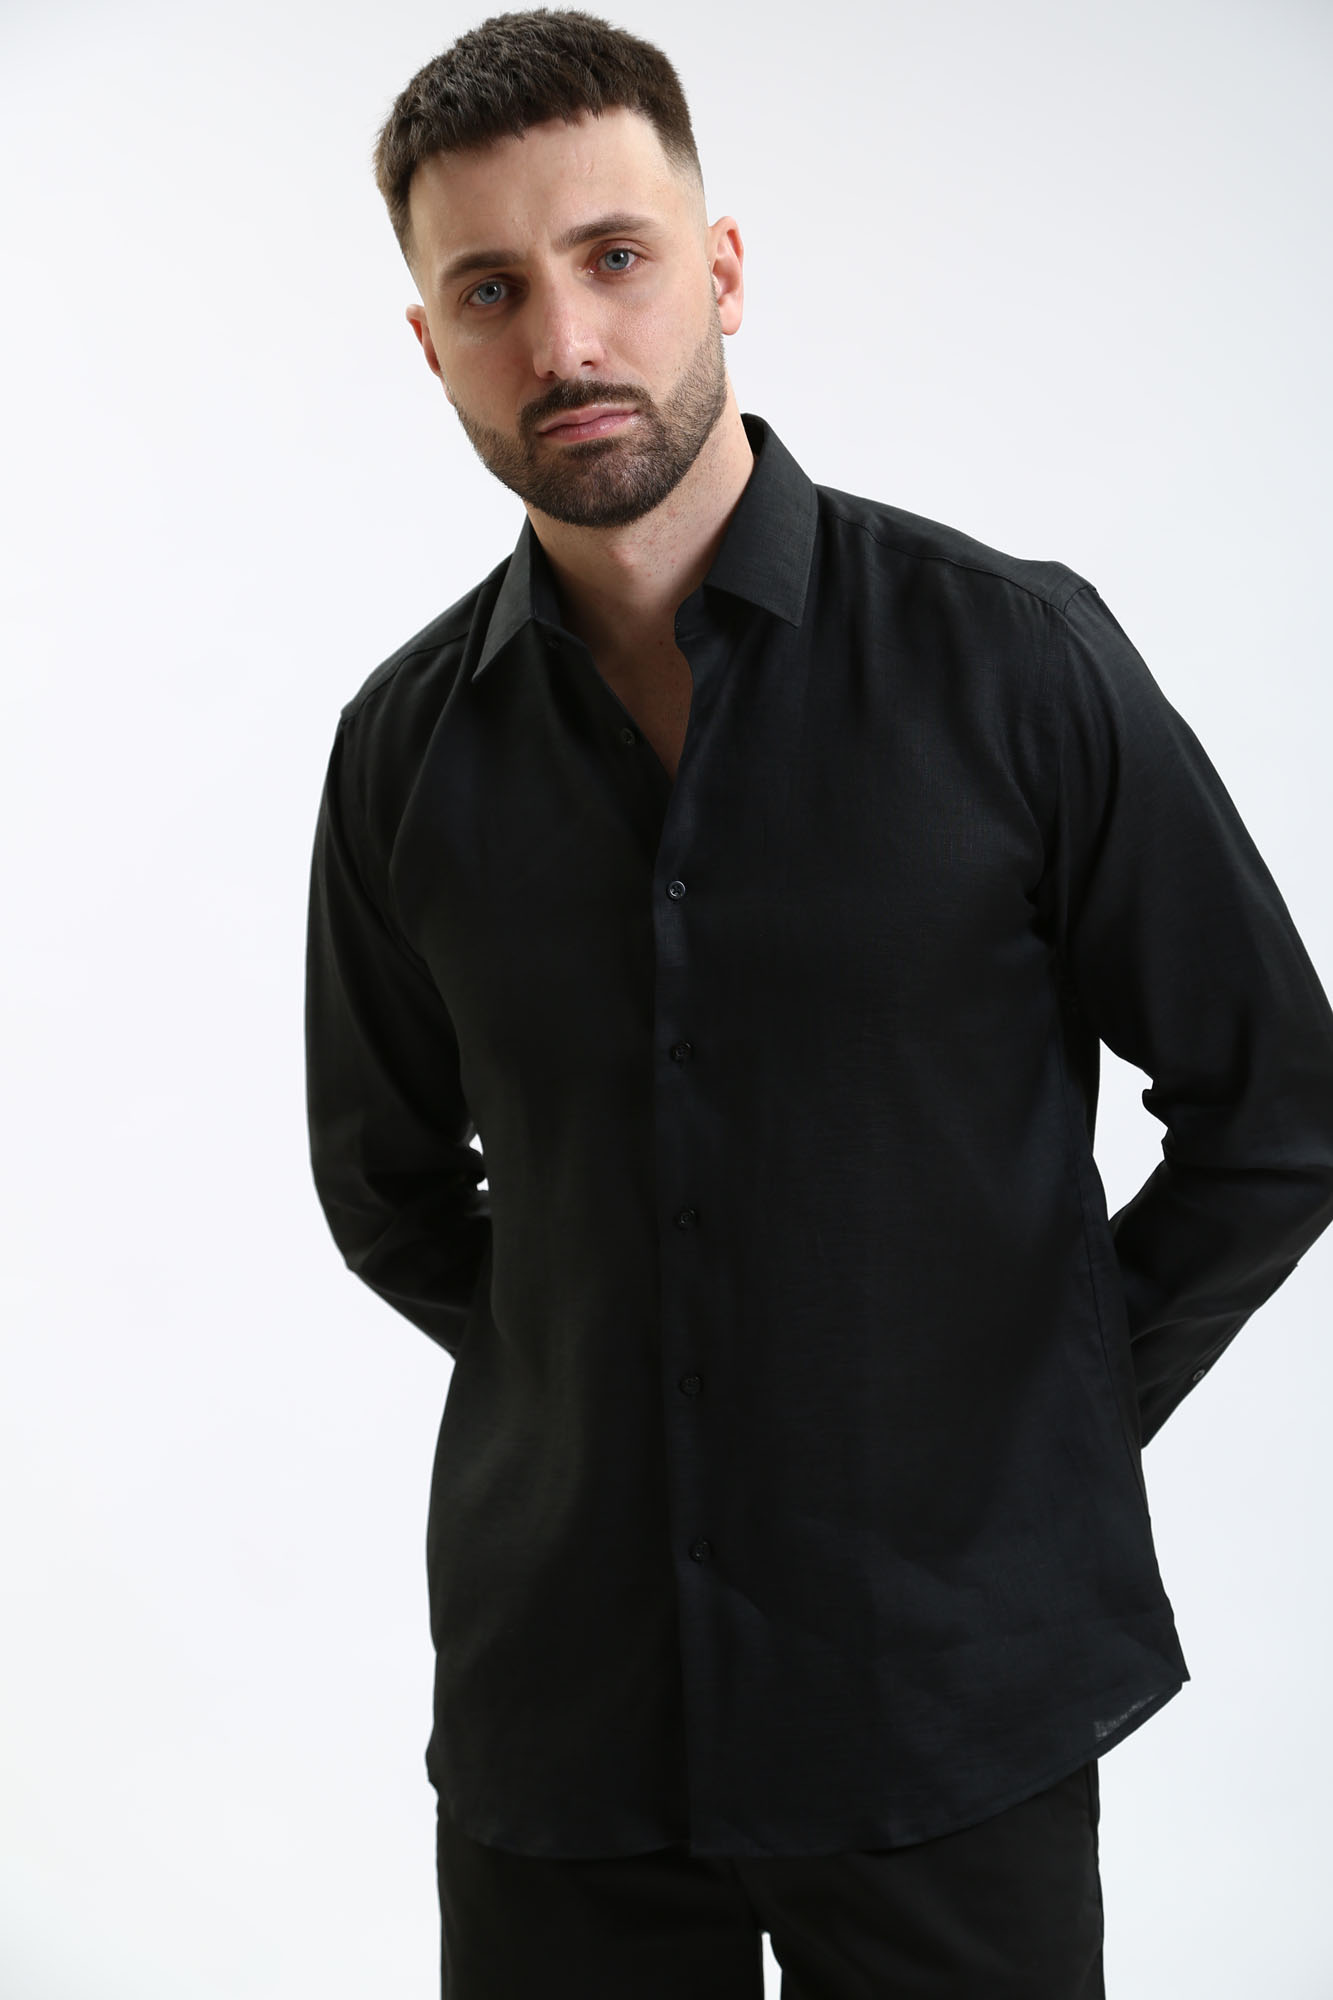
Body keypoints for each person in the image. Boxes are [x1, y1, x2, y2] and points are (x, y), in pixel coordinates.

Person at [302, 10, 1333, 1996]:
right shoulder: (403, 751)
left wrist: (1023, 1419)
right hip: (565, 1724)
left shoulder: (1010, 659)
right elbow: (385, 1185)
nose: (566, 342)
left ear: (721, 270)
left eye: (613, 257)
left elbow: (1278, 1107)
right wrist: (617, 1390)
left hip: (951, 1702)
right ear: (430, 344)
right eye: (490, 290)